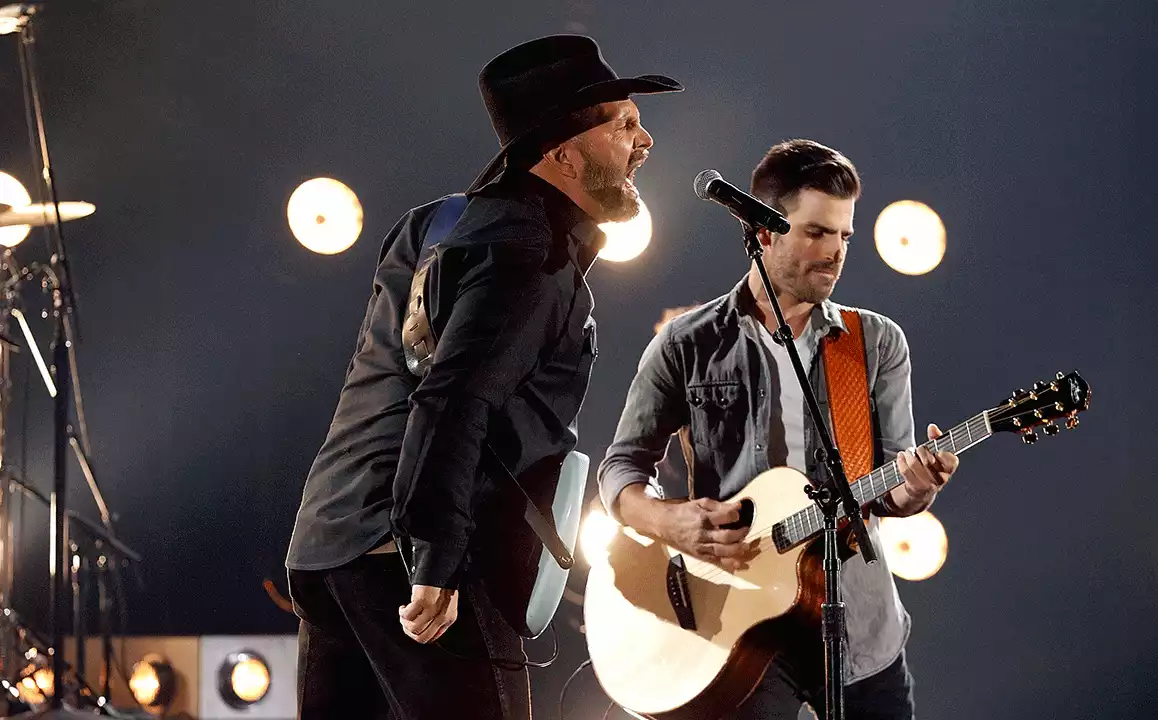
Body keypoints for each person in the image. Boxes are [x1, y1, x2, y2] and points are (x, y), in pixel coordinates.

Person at [285, 35, 680, 719]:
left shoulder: (438, 222)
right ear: (562, 153)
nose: (644, 140)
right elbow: (453, 398)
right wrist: (435, 561)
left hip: (331, 545)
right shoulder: (530, 250)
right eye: (622, 123)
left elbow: (389, 382)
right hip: (415, 560)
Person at [598, 139, 958, 719]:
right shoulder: (687, 343)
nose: (836, 252)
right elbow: (620, 467)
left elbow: (891, 486)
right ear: (764, 231)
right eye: (817, 232)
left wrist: (918, 486)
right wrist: (672, 521)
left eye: (844, 236)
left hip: (859, 631)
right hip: (740, 627)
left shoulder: (877, 345)